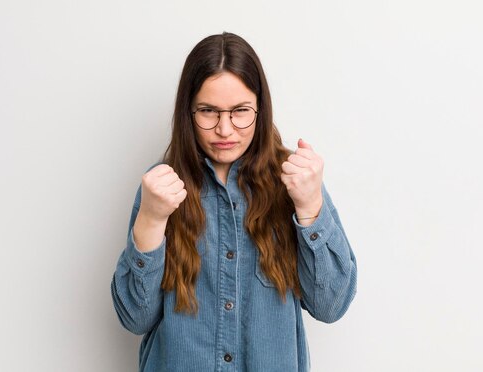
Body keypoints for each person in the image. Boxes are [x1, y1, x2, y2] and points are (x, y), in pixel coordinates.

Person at [111, 32, 357, 372]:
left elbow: (331, 306)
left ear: (260, 108)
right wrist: (151, 219)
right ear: (188, 111)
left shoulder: (294, 182)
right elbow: (134, 318)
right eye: (208, 111)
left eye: (240, 111)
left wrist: (311, 207)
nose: (225, 129)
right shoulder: (161, 187)